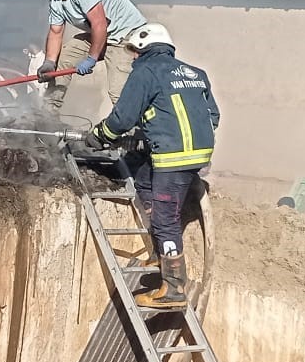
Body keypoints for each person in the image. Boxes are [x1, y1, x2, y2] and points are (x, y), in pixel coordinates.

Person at [83, 23, 219, 309]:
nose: (132, 57)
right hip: (197, 153)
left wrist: (98, 137)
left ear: (144, 48)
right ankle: (161, 253)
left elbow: (122, 119)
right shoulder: (195, 73)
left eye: (134, 51)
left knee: (165, 219)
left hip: (173, 158)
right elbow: (212, 116)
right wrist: (159, 131)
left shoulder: (145, 72)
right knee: (143, 179)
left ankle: (173, 288)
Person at [23, 0, 148, 130]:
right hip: (105, 34)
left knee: (117, 89)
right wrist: (49, 62)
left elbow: (99, 24)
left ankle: (137, 133)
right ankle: (48, 114)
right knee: (64, 57)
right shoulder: (56, 1)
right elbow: (56, 32)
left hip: (126, 36)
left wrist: (91, 58)